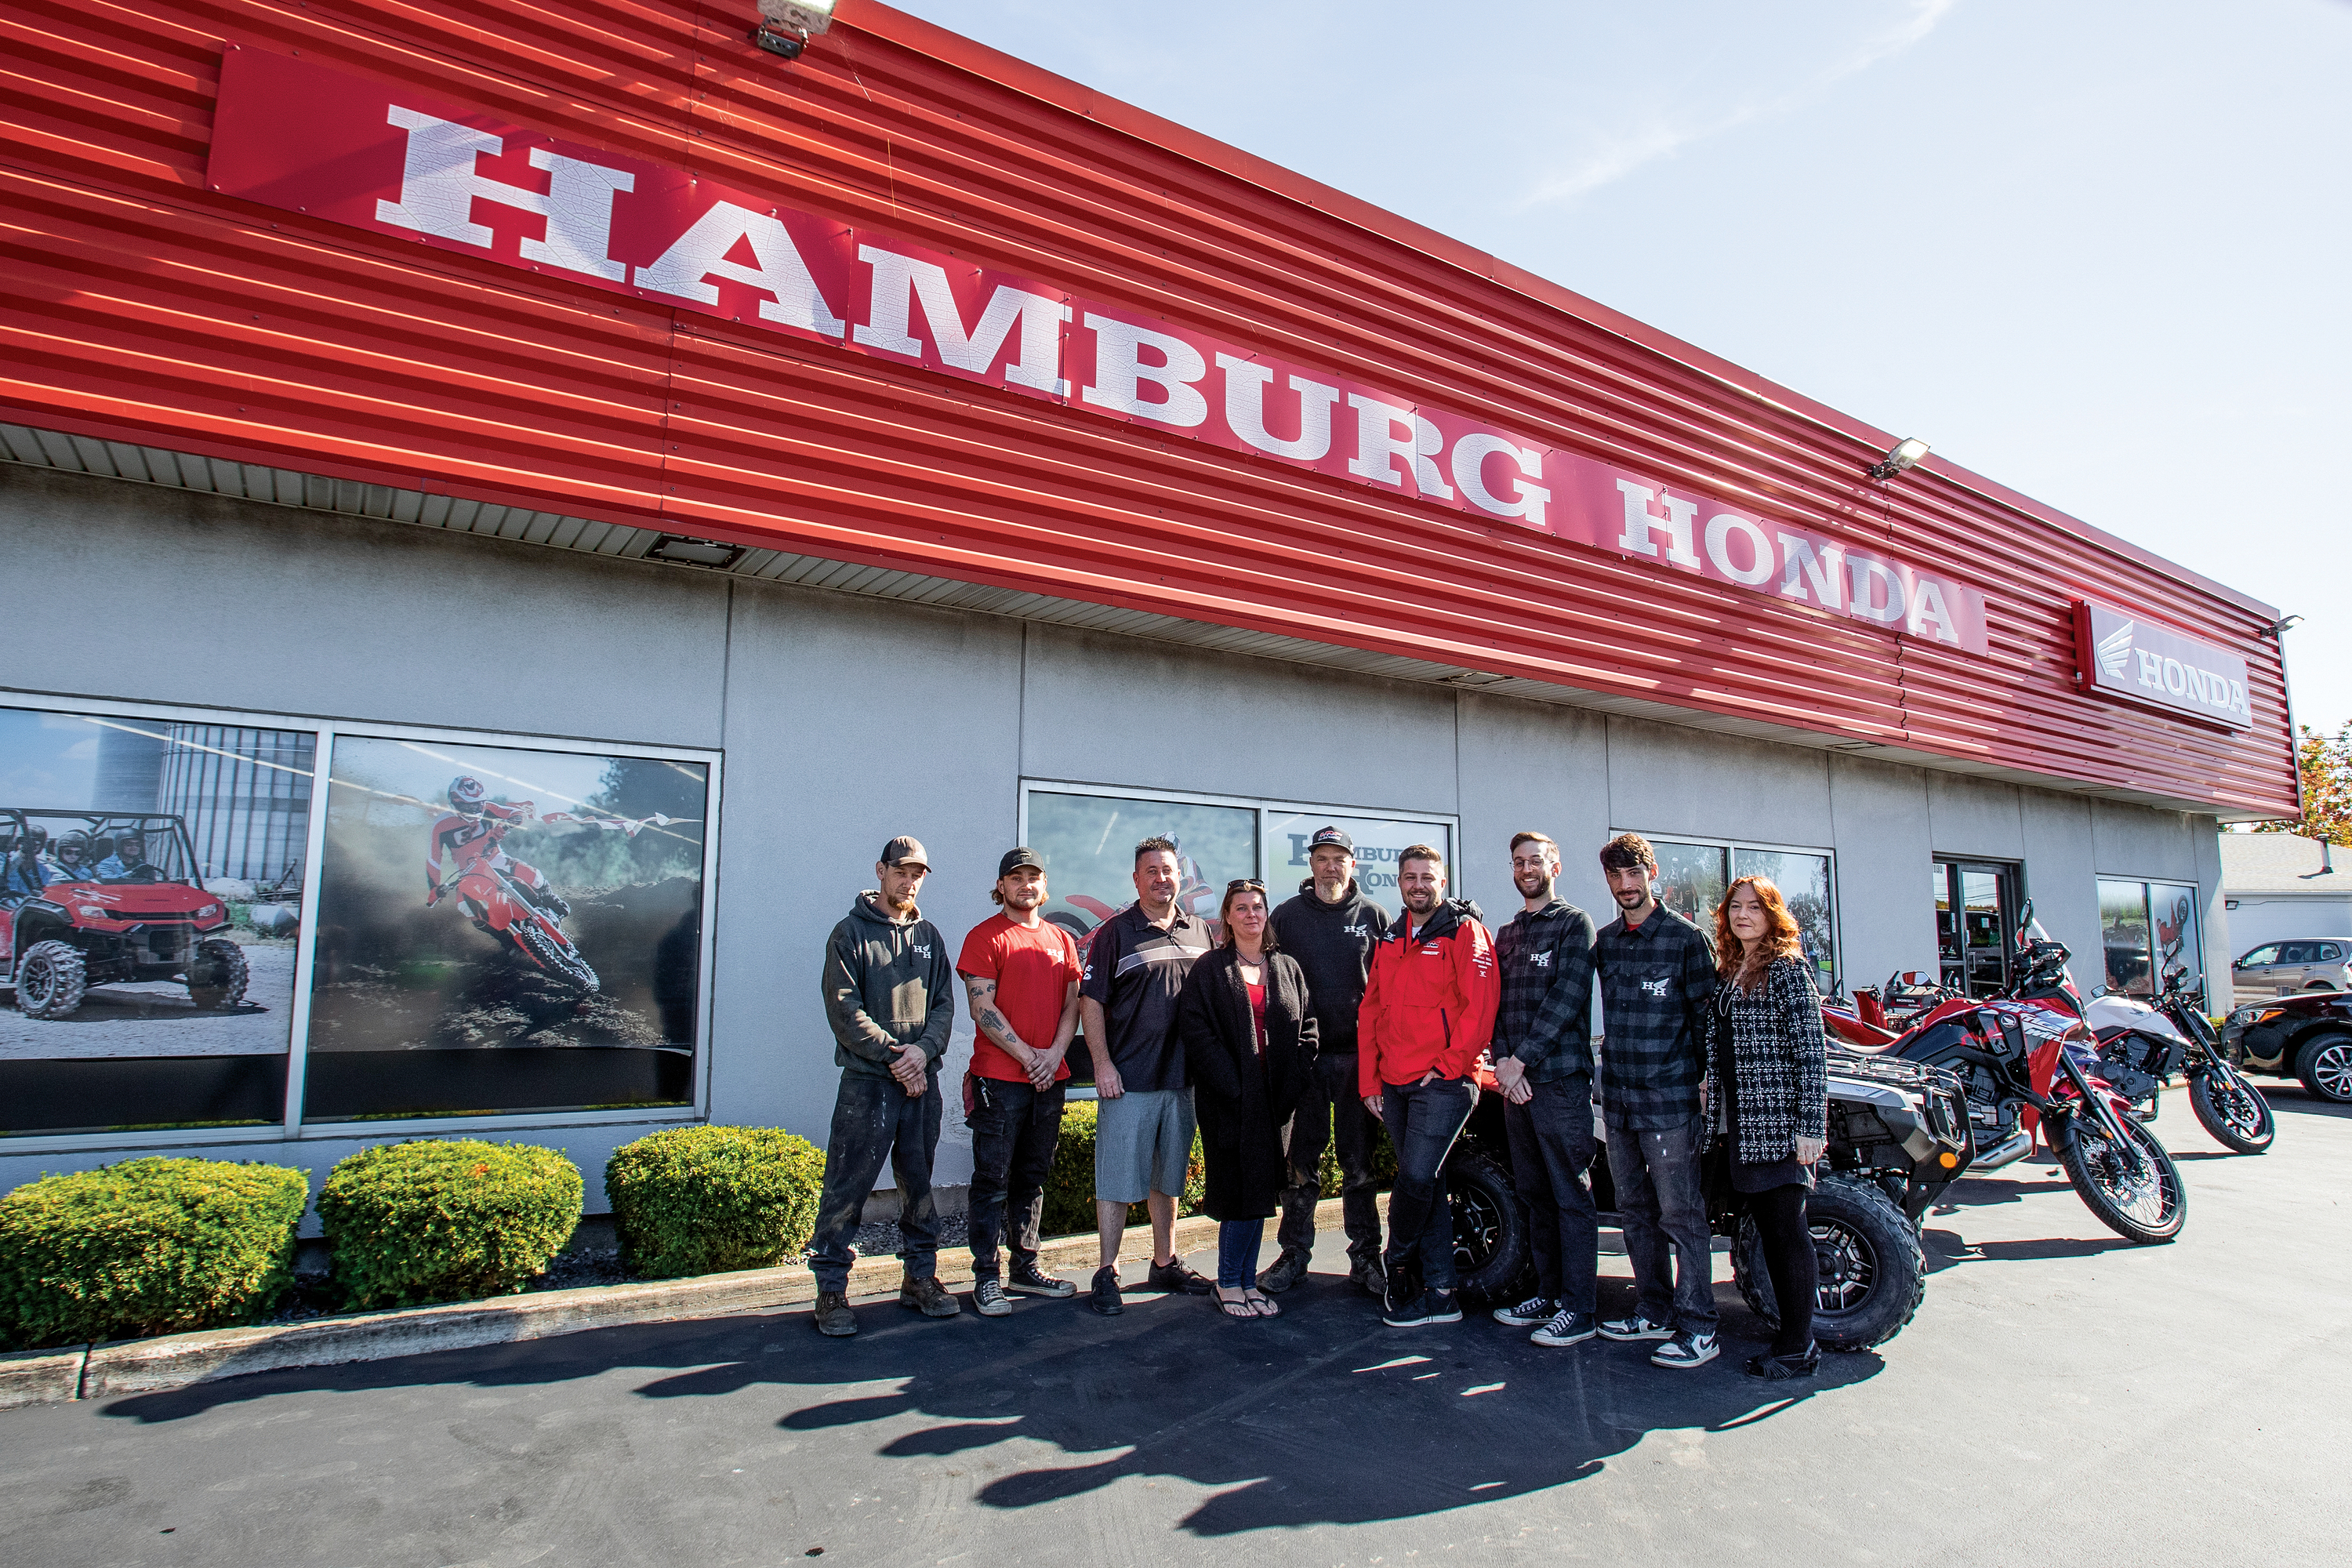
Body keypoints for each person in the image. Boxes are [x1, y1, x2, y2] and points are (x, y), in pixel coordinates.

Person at [807, 837, 960, 1338]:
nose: (909, 881)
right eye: (901, 871)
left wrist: (922, 1054)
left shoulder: (930, 937)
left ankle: (919, 1278)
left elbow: (943, 1007)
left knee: (919, 1185)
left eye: (917, 873)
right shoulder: (848, 934)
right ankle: (831, 1289)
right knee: (847, 1187)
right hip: (867, 1086)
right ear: (881, 870)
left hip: (921, 1083)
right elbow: (845, 1011)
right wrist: (899, 1057)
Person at [1592, 833, 1722, 1369]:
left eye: (1634, 874)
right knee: (1633, 1210)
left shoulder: (1687, 939)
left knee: (1681, 1212)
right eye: (1616, 877)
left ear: (1652, 873)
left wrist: (1705, 1080)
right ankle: (1653, 1308)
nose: (1626, 886)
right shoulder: (1605, 942)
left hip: (1670, 1099)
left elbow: (1707, 1020)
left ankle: (1699, 1326)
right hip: (1619, 1099)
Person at [1359, 844, 1498, 1328]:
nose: (1419, 884)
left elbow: (1481, 1007)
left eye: (1428, 877)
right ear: (1400, 882)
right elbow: (1370, 1010)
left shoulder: (1464, 931)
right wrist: (1369, 1080)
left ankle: (1395, 1263)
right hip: (1394, 1082)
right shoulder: (1391, 936)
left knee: (1416, 1177)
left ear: (1443, 882)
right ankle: (1441, 1291)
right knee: (1431, 1183)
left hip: (1444, 1081)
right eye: (1410, 877)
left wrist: (1449, 1065)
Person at [1078, 837, 1216, 1315]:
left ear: (1181, 876)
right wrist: (1102, 1064)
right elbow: (1091, 1002)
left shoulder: (1201, 931)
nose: (1162, 877)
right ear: (1136, 879)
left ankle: (1165, 1261)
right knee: (1117, 1180)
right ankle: (1106, 1270)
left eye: (1169, 869)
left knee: (1168, 1177)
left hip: (1184, 1081)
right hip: (1129, 1078)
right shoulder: (1116, 932)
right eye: (1151, 870)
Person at [1177, 879, 1317, 1319]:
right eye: (1241, 908)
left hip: (1276, 1105)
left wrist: (1291, 1083)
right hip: (1229, 1104)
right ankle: (1228, 1283)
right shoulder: (1210, 969)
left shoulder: (1287, 967)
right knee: (1238, 1193)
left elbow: (1308, 1029)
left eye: (1258, 907)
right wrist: (1234, 1087)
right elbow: (1196, 1033)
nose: (1251, 914)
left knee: (1260, 1194)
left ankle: (1246, 1279)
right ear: (1228, 917)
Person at [1261, 827, 1391, 1297]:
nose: (1331, 866)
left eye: (1340, 858)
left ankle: (1366, 1258)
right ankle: (1294, 1255)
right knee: (1302, 1167)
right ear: (1311, 864)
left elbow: (1394, 985)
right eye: (1323, 858)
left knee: (1359, 1166)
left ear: (1352, 865)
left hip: (1360, 1060)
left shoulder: (1375, 917)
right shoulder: (1288, 917)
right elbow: (1270, 979)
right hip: (1307, 1060)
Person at [1710, 876, 1830, 1379]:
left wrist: (1809, 1126)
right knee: (1772, 1231)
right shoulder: (1735, 970)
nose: (1742, 915)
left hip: (1779, 1125)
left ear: (1773, 914)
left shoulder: (1787, 968)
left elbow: (1811, 1053)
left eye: (1754, 908)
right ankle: (1793, 1339)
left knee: (1786, 1232)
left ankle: (1798, 1347)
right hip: (1745, 1124)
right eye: (1735, 907)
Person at [1486, 831, 1602, 1348]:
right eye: (1519, 861)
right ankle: (1549, 1293)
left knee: (1570, 1195)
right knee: (1534, 1194)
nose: (1527, 868)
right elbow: (1494, 1002)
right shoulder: (1507, 934)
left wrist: (1521, 1062)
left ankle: (1580, 1309)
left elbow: (1567, 998)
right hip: (1518, 1087)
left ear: (1555, 864)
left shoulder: (1574, 925)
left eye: (1535, 860)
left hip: (1560, 1084)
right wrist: (1506, 1066)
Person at [957, 848, 1085, 1318]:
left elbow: (1073, 1004)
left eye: (1034, 877)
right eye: (1016, 878)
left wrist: (1053, 1055)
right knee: (992, 1180)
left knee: (1033, 1177)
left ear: (1043, 884)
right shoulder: (984, 938)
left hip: (1050, 1076)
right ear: (1002, 887)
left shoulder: (1061, 939)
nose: (1026, 885)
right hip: (1000, 1078)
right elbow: (982, 1008)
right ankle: (986, 1278)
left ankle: (1024, 1267)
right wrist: (1029, 1056)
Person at [425, 776, 567, 918]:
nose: (475, 809)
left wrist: (504, 825)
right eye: (469, 806)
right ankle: (504, 938)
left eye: (478, 804)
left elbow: (518, 813)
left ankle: (550, 899)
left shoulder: (489, 808)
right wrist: (434, 888)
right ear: (456, 802)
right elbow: (434, 859)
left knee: (533, 876)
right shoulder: (441, 824)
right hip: (466, 873)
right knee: (465, 907)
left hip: (495, 858)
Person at [94, 829, 165, 883]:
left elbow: (152, 886)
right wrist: (132, 874)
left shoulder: (142, 866)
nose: (134, 847)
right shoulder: (106, 864)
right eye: (129, 844)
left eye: (137, 845)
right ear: (119, 846)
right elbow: (107, 882)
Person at [2, 826, 49, 903]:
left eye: (35, 844)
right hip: (4, 904)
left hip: (26, 908)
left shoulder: (43, 870)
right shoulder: (4, 859)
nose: (29, 846)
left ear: (41, 846)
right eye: (24, 842)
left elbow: (45, 892)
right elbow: (5, 871)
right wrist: (21, 853)